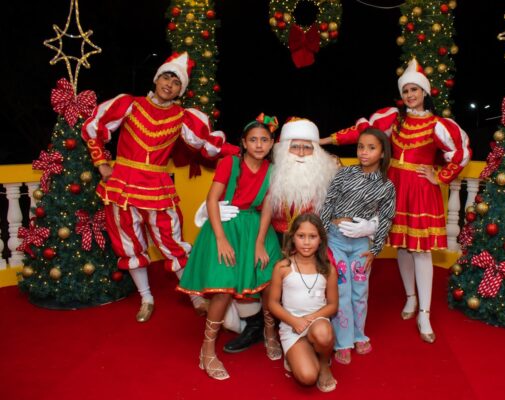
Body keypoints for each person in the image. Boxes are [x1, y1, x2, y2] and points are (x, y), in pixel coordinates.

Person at [320, 58, 471, 343]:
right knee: (402, 245)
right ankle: (410, 297)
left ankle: (425, 312)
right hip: (394, 188)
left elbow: (460, 153)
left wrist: (439, 175)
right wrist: (322, 141)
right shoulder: (394, 120)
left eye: (415, 89)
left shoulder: (439, 125)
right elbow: (362, 133)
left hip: (421, 191)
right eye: (406, 91)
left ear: (425, 92)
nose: (410, 95)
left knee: (420, 250)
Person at [81, 52, 233, 322]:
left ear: (180, 90)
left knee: (172, 242)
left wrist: (243, 151)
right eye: (166, 78)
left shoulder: (183, 117)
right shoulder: (130, 104)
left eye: (176, 83)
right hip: (123, 187)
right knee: (129, 243)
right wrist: (101, 163)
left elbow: (210, 145)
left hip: (157, 188)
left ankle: (196, 297)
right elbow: (94, 126)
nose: (169, 85)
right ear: (156, 79)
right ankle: (146, 298)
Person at [217, 117, 342, 355]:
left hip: (312, 241)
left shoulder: (329, 173)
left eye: (307, 147)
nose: (301, 153)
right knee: (257, 275)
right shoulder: (271, 171)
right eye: (295, 146)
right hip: (273, 235)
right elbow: (246, 198)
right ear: (284, 148)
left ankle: (315, 325)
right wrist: (213, 208)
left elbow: (341, 206)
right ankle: (258, 326)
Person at [177, 115, 282, 380]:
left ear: (272, 143)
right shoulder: (229, 163)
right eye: (253, 140)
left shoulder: (273, 170)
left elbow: (268, 207)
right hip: (226, 227)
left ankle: (270, 332)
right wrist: (221, 239)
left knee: (269, 281)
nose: (259, 145)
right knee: (223, 288)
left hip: (256, 229)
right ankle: (207, 349)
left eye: (264, 140)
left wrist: (260, 243)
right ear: (244, 143)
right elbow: (212, 199)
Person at [320, 128, 396, 364]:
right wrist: (323, 238)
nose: (364, 152)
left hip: (361, 245)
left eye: (371, 148)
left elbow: (386, 218)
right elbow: (327, 205)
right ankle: (343, 342)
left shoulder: (386, 186)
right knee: (341, 290)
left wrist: (374, 249)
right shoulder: (344, 174)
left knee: (360, 292)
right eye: (361, 146)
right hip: (335, 241)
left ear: (382, 153)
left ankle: (359, 335)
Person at [268, 213, 339, 393]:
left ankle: (324, 363)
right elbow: (273, 303)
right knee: (307, 378)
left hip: (317, 322)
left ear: (320, 240)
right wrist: (294, 321)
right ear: (292, 238)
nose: (306, 242)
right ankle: (298, 353)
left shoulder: (328, 269)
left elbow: (333, 305)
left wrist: (309, 318)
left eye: (312, 236)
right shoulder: (282, 267)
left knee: (323, 333)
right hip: (291, 327)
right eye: (301, 236)